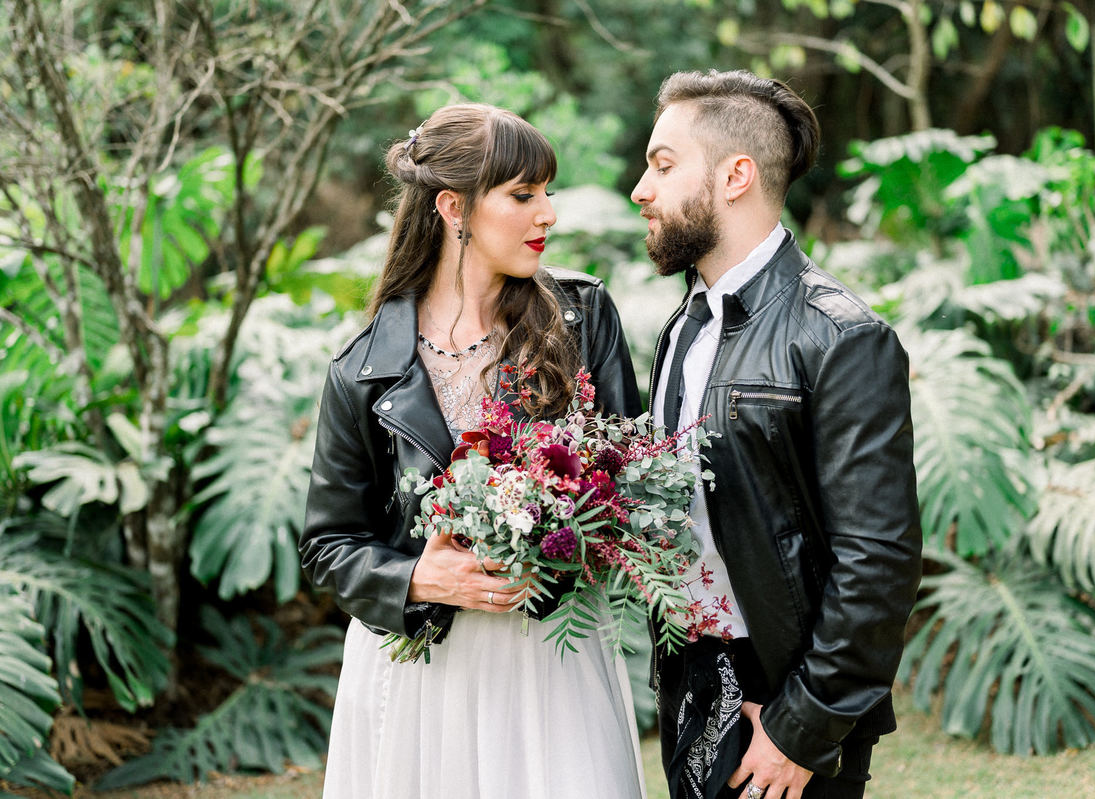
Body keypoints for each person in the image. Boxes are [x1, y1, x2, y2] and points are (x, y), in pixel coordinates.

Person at [300, 103, 646, 799]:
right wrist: (418, 579)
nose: (547, 213)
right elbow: (329, 543)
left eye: (547, 192)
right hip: (421, 670)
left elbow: (630, 479)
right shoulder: (362, 370)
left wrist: (566, 528)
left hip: (552, 661)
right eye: (522, 195)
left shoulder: (582, 319)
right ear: (453, 207)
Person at [631, 70, 923, 799]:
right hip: (690, 678)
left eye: (663, 165)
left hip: (788, 704)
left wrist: (803, 726)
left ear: (736, 176)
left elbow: (879, 559)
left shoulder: (841, 337)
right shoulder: (683, 325)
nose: (641, 189)